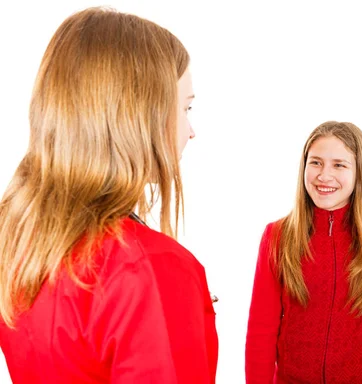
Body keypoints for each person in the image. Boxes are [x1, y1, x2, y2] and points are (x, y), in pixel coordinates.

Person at [0, 7, 218, 384]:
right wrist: (168, 291)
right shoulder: (151, 265)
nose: (191, 130)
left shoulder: (19, 241)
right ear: (138, 117)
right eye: (186, 108)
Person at [245, 121, 362, 383]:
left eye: (339, 165)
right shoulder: (278, 236)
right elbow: (262, 329)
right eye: (315, 162)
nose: (324, 175)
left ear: (360, 172)